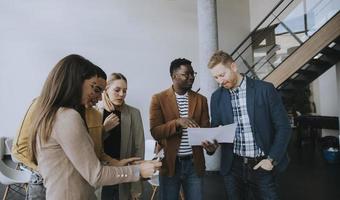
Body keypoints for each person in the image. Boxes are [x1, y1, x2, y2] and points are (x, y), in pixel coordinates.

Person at [27, 54, 161, 200]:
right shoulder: (68, 117)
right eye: (95, 89)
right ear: (75, 82)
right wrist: (138, 171)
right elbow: (95, 175)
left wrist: (116, 164)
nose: (98, 98)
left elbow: (82, 160)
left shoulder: (52, 114)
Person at [12, 65, 138, 200]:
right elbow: (20, 149)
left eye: (100, 91)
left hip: (82, 186)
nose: (99, 97)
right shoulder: (43, 106)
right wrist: (51, 171)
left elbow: (95, 152)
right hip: (46, 183)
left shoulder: (95, 115)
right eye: (96, 89)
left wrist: (114, 162)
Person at [207, 50, 292, 200]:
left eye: (222, 75)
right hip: (233, 167)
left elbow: (284, 127)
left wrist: (270, 159)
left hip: (262, 165)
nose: (220, 81)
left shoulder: (265, 89)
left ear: (233, 67)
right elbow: (216, 130)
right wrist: (212, 145)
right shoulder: (216, 98)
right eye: (215, 77)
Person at [149, 58, 216, 200]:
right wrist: (177, 123)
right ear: (174, 76)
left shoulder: (201, 100)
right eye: (186, 74)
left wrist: (210, 148)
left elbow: (205, 130)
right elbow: (155, 131)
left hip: (194, 164)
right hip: (170, 163)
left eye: (193, 74)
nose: (191, 77)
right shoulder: (158, 99)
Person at [99, 72, 145, 200]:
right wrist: (104, 129)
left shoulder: (134, 113)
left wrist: (136, 186)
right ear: (106, 89)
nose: (121, 94)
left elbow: (139, 150)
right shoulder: (95, 112)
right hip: (101, 174)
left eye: (124, 91)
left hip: (124, 175)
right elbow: (89, 146)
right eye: (117, 90)